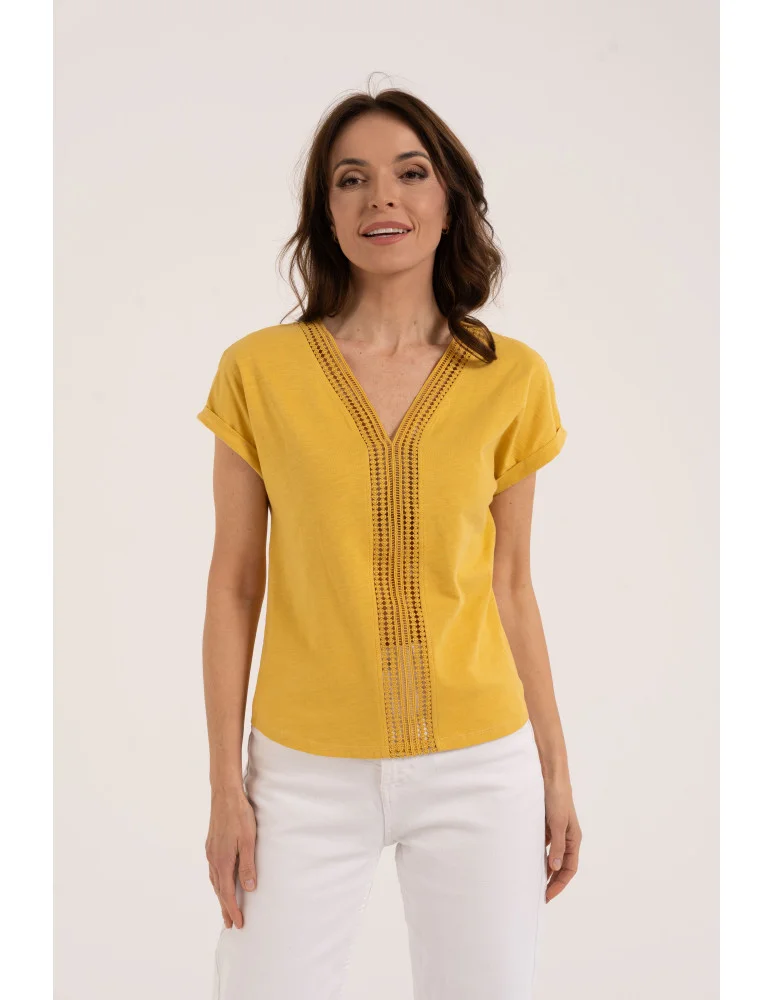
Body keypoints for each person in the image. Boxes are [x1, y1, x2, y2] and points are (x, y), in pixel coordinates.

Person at [197, 84, 581, 1000]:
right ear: (325, 212)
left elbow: (513, 586)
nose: (382, 198)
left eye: (411, 173)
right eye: (351, 179)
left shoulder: (513, 378)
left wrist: (555, 774)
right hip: (301, 771)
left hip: (481, 765)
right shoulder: (258, 372)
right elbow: (234, 586)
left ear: (450, 201)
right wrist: (224, 788)